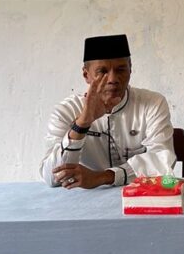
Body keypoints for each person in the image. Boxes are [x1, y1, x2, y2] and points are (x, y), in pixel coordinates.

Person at [40, 34, 176, 189]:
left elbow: (161, 160)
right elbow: (52, 177)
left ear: (130, 69)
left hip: (140, 196)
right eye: (102, 71)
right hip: (84, 199)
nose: (112, 79)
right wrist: (82, 124)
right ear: (86, 75)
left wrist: (103, 177)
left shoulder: (152, 103)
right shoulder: (66, 111)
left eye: (120, 70)